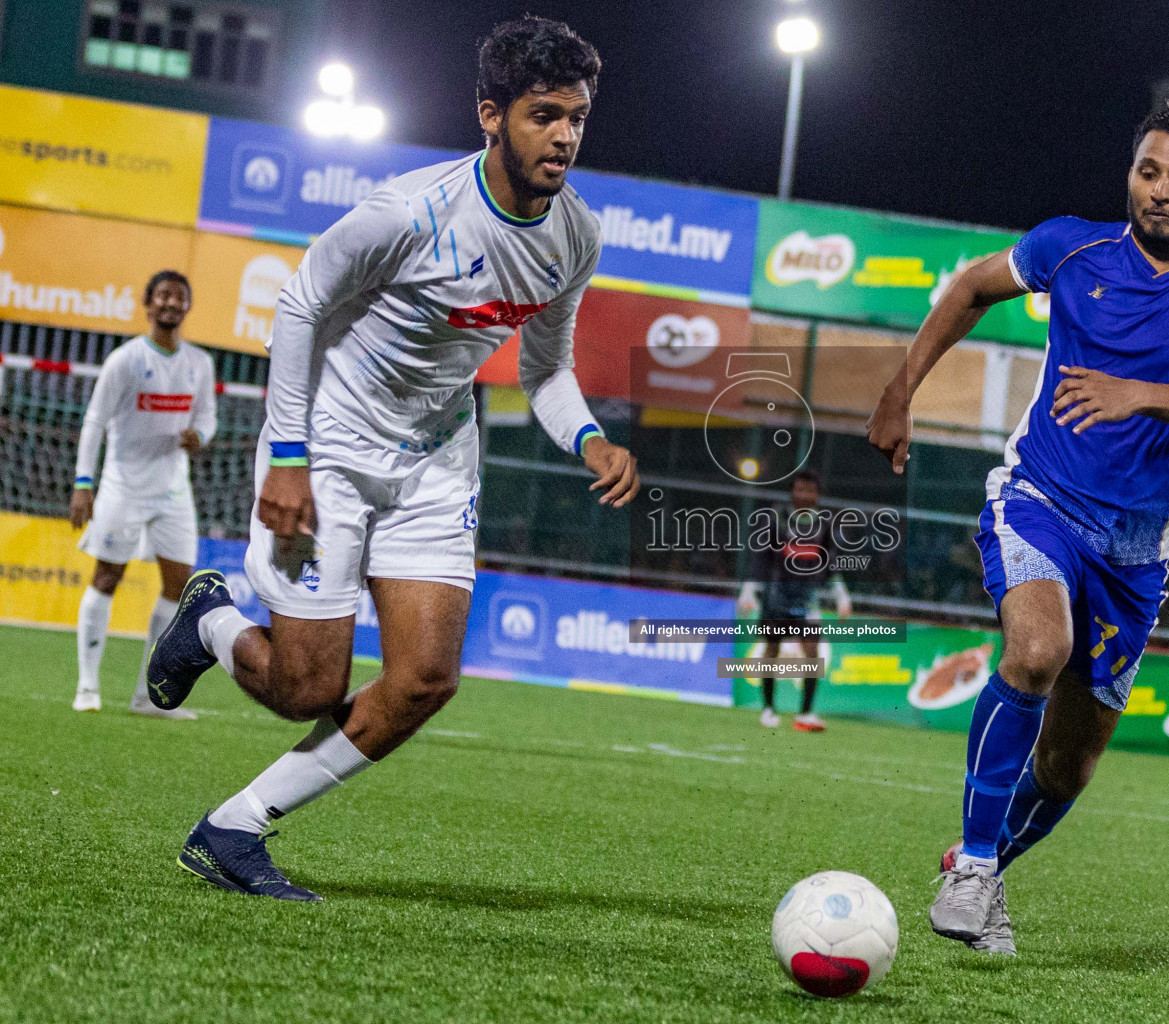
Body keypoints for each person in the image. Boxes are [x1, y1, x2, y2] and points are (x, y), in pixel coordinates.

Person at [146, 16, 638, 901]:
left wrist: (590, 437)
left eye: (576, 116)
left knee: (424, 679)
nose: (564, 135)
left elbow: (547, 367)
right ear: (490, 115)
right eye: (542, 115)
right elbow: (298, 306)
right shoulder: (409, 213)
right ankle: (212, 620)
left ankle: (235, 827)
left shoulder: (577, 236)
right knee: (306, 687)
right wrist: (289, 458)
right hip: (328, 446)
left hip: (437, 458)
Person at [866, 98, 1169, 955]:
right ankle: (976, 866)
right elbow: (973, 285)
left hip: (1137, 554)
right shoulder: (1071, 246)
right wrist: (902, 388)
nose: (1161, 191)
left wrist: (1137, 394)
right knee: (1036, 651)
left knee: (1066, 769)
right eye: (1149, 170)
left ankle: (980, 871)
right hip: (1039, 500)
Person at [71, 270, 215, 720]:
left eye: (179, 297)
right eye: (163, 296)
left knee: (179, 584)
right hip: (122, 485)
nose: (171, 304)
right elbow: (95, 421)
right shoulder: (125, 360)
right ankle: (88, 686)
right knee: (107, 577)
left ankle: (147, 696)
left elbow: (208, 418)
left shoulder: (200, 363)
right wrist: (83, 482)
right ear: (148, 304)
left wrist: (200, 437)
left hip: (173, 487)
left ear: (188, 306)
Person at [736, 470, 853, 732]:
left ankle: (806, 714)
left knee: (812, 651)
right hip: (777, 596)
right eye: (799, 489)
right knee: (771, 650)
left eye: (809, 490)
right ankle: (768, 709)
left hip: (807, 597)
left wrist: (841, 596)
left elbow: (830, 564)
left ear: (817, 494)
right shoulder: (777, 519)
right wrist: (749, 591)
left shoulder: (824, 524)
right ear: (792, 492)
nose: (804, 494)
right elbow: (761, 558)